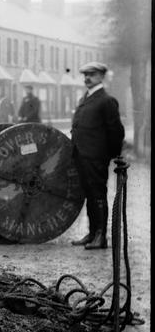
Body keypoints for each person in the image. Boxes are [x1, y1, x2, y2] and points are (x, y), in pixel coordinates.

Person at [70, 61, 125, 250]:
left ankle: (101, 237)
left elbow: (116, 131)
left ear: (101, 76)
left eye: (92, 74)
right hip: (82, 155)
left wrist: (111, 156)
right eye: (85, 74)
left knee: (98, 194)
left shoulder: (106, 101)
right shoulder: (87, 97)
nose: (87, 78)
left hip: (95, 157)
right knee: (89, 194)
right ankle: (92, 233)